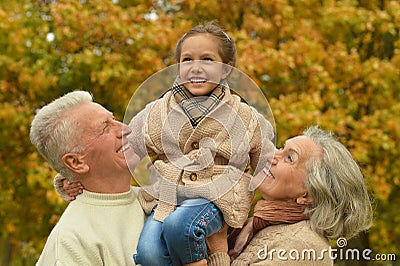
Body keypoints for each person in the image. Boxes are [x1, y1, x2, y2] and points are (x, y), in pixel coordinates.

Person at [57, 20, 276, 265]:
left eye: (207, 60)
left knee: (179, 227)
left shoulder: (246, 118)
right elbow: (122, 149)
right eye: (187, 60)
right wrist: (69, 179)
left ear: (226, 70)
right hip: (168, 200)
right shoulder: (156, 113)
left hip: (217, 199)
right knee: (148, 253)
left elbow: (269, 165)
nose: (196, 68)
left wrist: (276, 209)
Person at [206, 126, 373, 265]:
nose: (270, 156)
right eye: (280, 148)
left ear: (308, 195)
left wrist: (218, 250)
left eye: (289, 158)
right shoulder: (253, 226)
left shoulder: (305, 249)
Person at [30, 90, 145, 265]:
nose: (125, 129)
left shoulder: (152, 200)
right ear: (76, 162)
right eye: (105, 127)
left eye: (114, 119)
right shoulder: (72, 243)